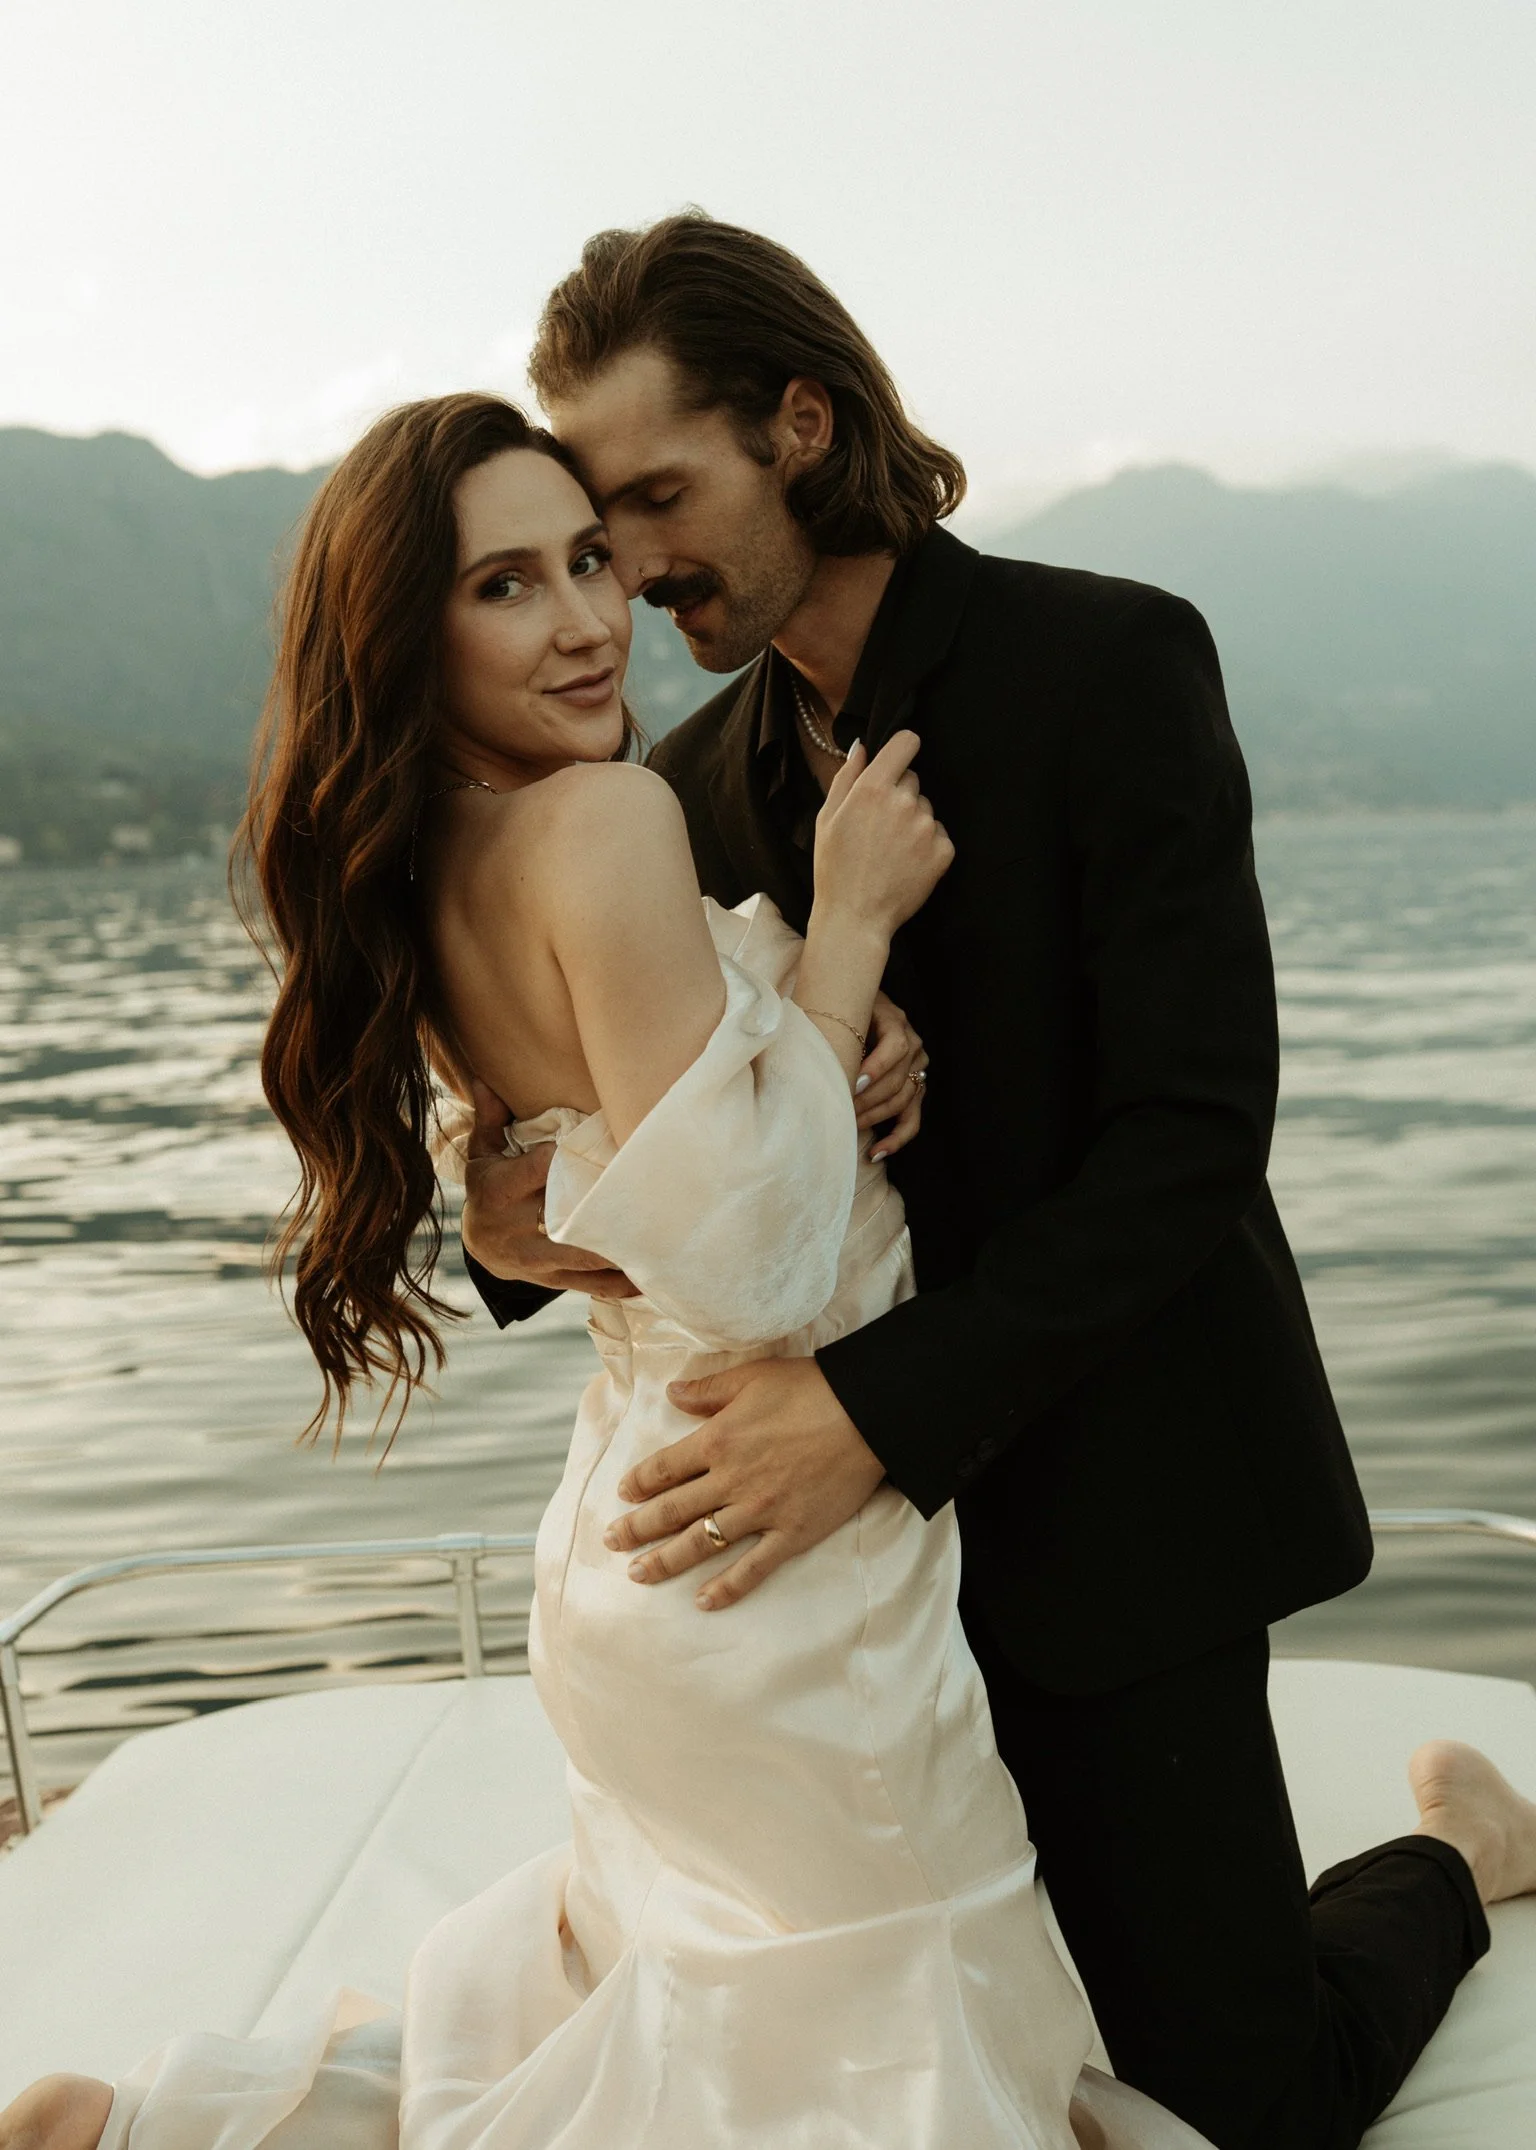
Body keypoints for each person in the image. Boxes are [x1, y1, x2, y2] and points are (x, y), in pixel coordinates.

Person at [0, 396, 1225, 2150]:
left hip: (634, 1523)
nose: (589, 618)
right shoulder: (607, 820)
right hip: (768, 1554)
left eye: (590, 558)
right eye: (506, 584)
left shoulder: (437, 863)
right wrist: (845, 940)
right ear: (408, 634)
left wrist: (811, 1045)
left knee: (718, 2015)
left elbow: (601, 1164)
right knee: (885, 2035)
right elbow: (755, 1262)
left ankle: (169, 2130)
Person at [455, 215, 1536, 2150]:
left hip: (1118, 1514)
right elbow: (644, 1147)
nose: (634, 565)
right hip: (835, 1610)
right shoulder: (679, 787)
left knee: (1238, 2108)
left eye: (660, 497)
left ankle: (1460, 1856)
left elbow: (1193, 1135)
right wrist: (504, 1219)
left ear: (801, 424)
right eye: (601, 524)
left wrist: (871, 1412)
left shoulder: (1112, 659)